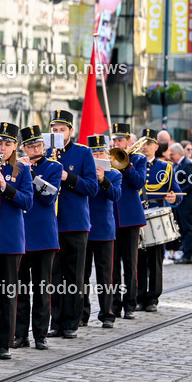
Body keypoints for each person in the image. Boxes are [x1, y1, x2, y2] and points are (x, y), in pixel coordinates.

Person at [0, 123, 32, 360]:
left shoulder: (22, 170)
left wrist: (5, 186)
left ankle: (5, 344)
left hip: (10, 241)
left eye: (7, 144)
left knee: (8, 295)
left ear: (15, 146)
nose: (2, 148)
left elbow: (27, 202)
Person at [46, 110, 98, 339]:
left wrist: (68, 178)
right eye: (54, 130)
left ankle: (71, 322)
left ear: (71, 131)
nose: (58, 133)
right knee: (54, 276)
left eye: (62, 130)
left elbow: (92, 187)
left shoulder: (83, 153)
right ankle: (56, 321)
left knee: (75, 275)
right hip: (52, 223)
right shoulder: (45, 153)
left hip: (75, 223)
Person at [15, 126, 62, 350]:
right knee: (21, 290)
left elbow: (48, 196)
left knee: (42, 289)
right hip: (22, 235)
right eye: (31, 146)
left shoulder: (54, 167)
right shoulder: (15, 167)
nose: (35, 149)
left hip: (44, 236)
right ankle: (20, 334)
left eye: (38, 145)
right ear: (23, 148)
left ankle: (40, 335)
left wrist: (30, 174)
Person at [82, 135, 122, 327]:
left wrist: (103, 180)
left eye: (100, 153)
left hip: (104, 229)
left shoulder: (114, 174)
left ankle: (107, 313)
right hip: (84, 227)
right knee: (82, 275)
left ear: (106, 154)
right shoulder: (84, 174)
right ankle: (82, 314)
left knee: (105, 275)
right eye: (93, 153)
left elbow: (116, 195)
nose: (97, 156)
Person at [138, 129, 180, 310]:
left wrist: (174, 197)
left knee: (155, 260)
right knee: (138, 259)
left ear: (156, 146)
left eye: (148, 144)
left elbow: (177, 192)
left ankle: (153, 298)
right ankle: (139, 297)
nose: (145, 147)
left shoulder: (166, 167)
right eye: (142, 144)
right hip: (138, 215)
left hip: (156, 216)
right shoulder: (132, 164)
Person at [110, 123, 147, 321]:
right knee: (113, 266)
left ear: (128, 142)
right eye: (114, 140)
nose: (116, 143)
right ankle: (115, 305)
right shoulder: (108, 159)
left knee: (131, 263)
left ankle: (130, 304)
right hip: (113, 217)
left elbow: (139, 183)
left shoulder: (139, 159)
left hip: (131, 218)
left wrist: (126, 165)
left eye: (120, 140)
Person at [168, 143, 192, 264]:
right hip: (179, 203)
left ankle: (188, 255)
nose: (170, 156)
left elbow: (191, 184)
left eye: (172, 154)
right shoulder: (175, 165)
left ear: (179, 153)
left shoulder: (187, 165)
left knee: (187, 228)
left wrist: (178, 193)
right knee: (180, 228)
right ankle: (183, 252)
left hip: (187, 203)